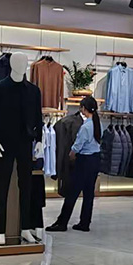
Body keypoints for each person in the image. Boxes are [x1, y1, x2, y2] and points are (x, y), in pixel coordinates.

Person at [46, 95, 102, 232]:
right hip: (95, 160)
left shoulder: (85, 127)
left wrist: (70, 156)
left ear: (83, 108)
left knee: (72, 192)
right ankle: (85, 222)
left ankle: (62, 222)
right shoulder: (97, 124)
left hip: (84, 161)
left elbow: (77, 147)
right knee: (89, 193)